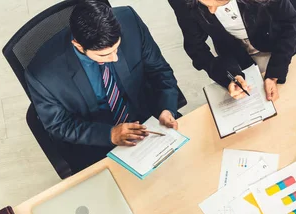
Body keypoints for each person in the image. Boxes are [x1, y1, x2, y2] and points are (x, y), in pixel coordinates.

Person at [25, 0, 180, 172]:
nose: (115, 58)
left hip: (148, 119)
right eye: (104, 54)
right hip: (96, 140)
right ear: (78, 45)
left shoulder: (130, 21)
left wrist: (167, 109)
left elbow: (160, 71)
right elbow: (58, 125)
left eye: (116, 48)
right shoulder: (43, 74)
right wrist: (110, 135)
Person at [167, 0, 296, 101]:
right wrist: (229, 77)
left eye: (218, 3)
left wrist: (274, 73)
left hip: (278, 34)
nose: (211, 11)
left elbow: (291, 22)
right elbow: (196, 48)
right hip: (235, 49)